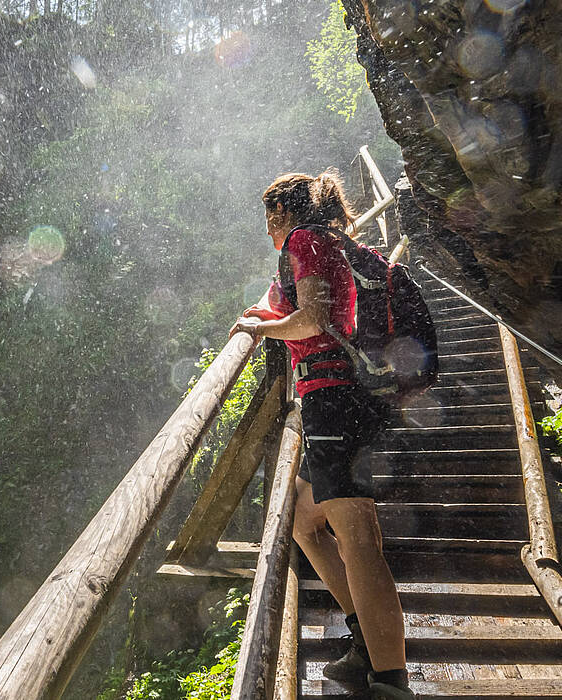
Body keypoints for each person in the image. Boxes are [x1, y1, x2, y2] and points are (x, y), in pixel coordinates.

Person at [232, 171, 414, 699]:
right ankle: (365, 644)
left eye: (269, 219)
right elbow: (313, 306)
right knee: (303, 520)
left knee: (358, 538)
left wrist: (260, 329)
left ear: (280, 214)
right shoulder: (331, 241)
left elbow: (313, 318)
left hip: (335, 400)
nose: (268, 232)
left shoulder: (303, 240)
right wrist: (269, 313)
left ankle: (389, 680)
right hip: (346, 399)